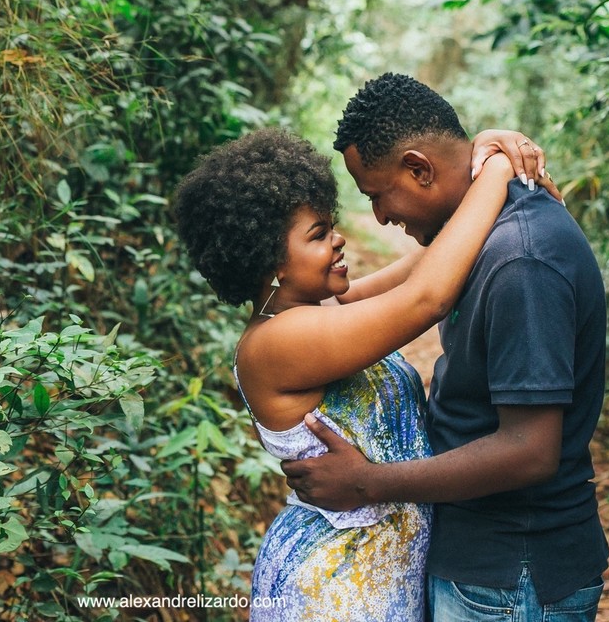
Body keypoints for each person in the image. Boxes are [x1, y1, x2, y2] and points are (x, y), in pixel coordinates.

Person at [172, 125, 552, 620]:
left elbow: (434, 259)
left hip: (379, 571)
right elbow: (426, 298)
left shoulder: (323, 310)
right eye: (318, 235)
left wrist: (483, 147)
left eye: (331, 225)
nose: (339, 239)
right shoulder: (276, 343)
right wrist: (500, 168)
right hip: (336, 580)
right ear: (271, 261)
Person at [281, 73, 608, 622]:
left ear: (419, 168)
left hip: (512, 574)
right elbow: (356, 301)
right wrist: (495, 159)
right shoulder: (475, 237)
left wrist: (367, 482)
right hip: (480, 560)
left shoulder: (522, 260)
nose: (380, 217)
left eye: (376, 196)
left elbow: (530, 450)